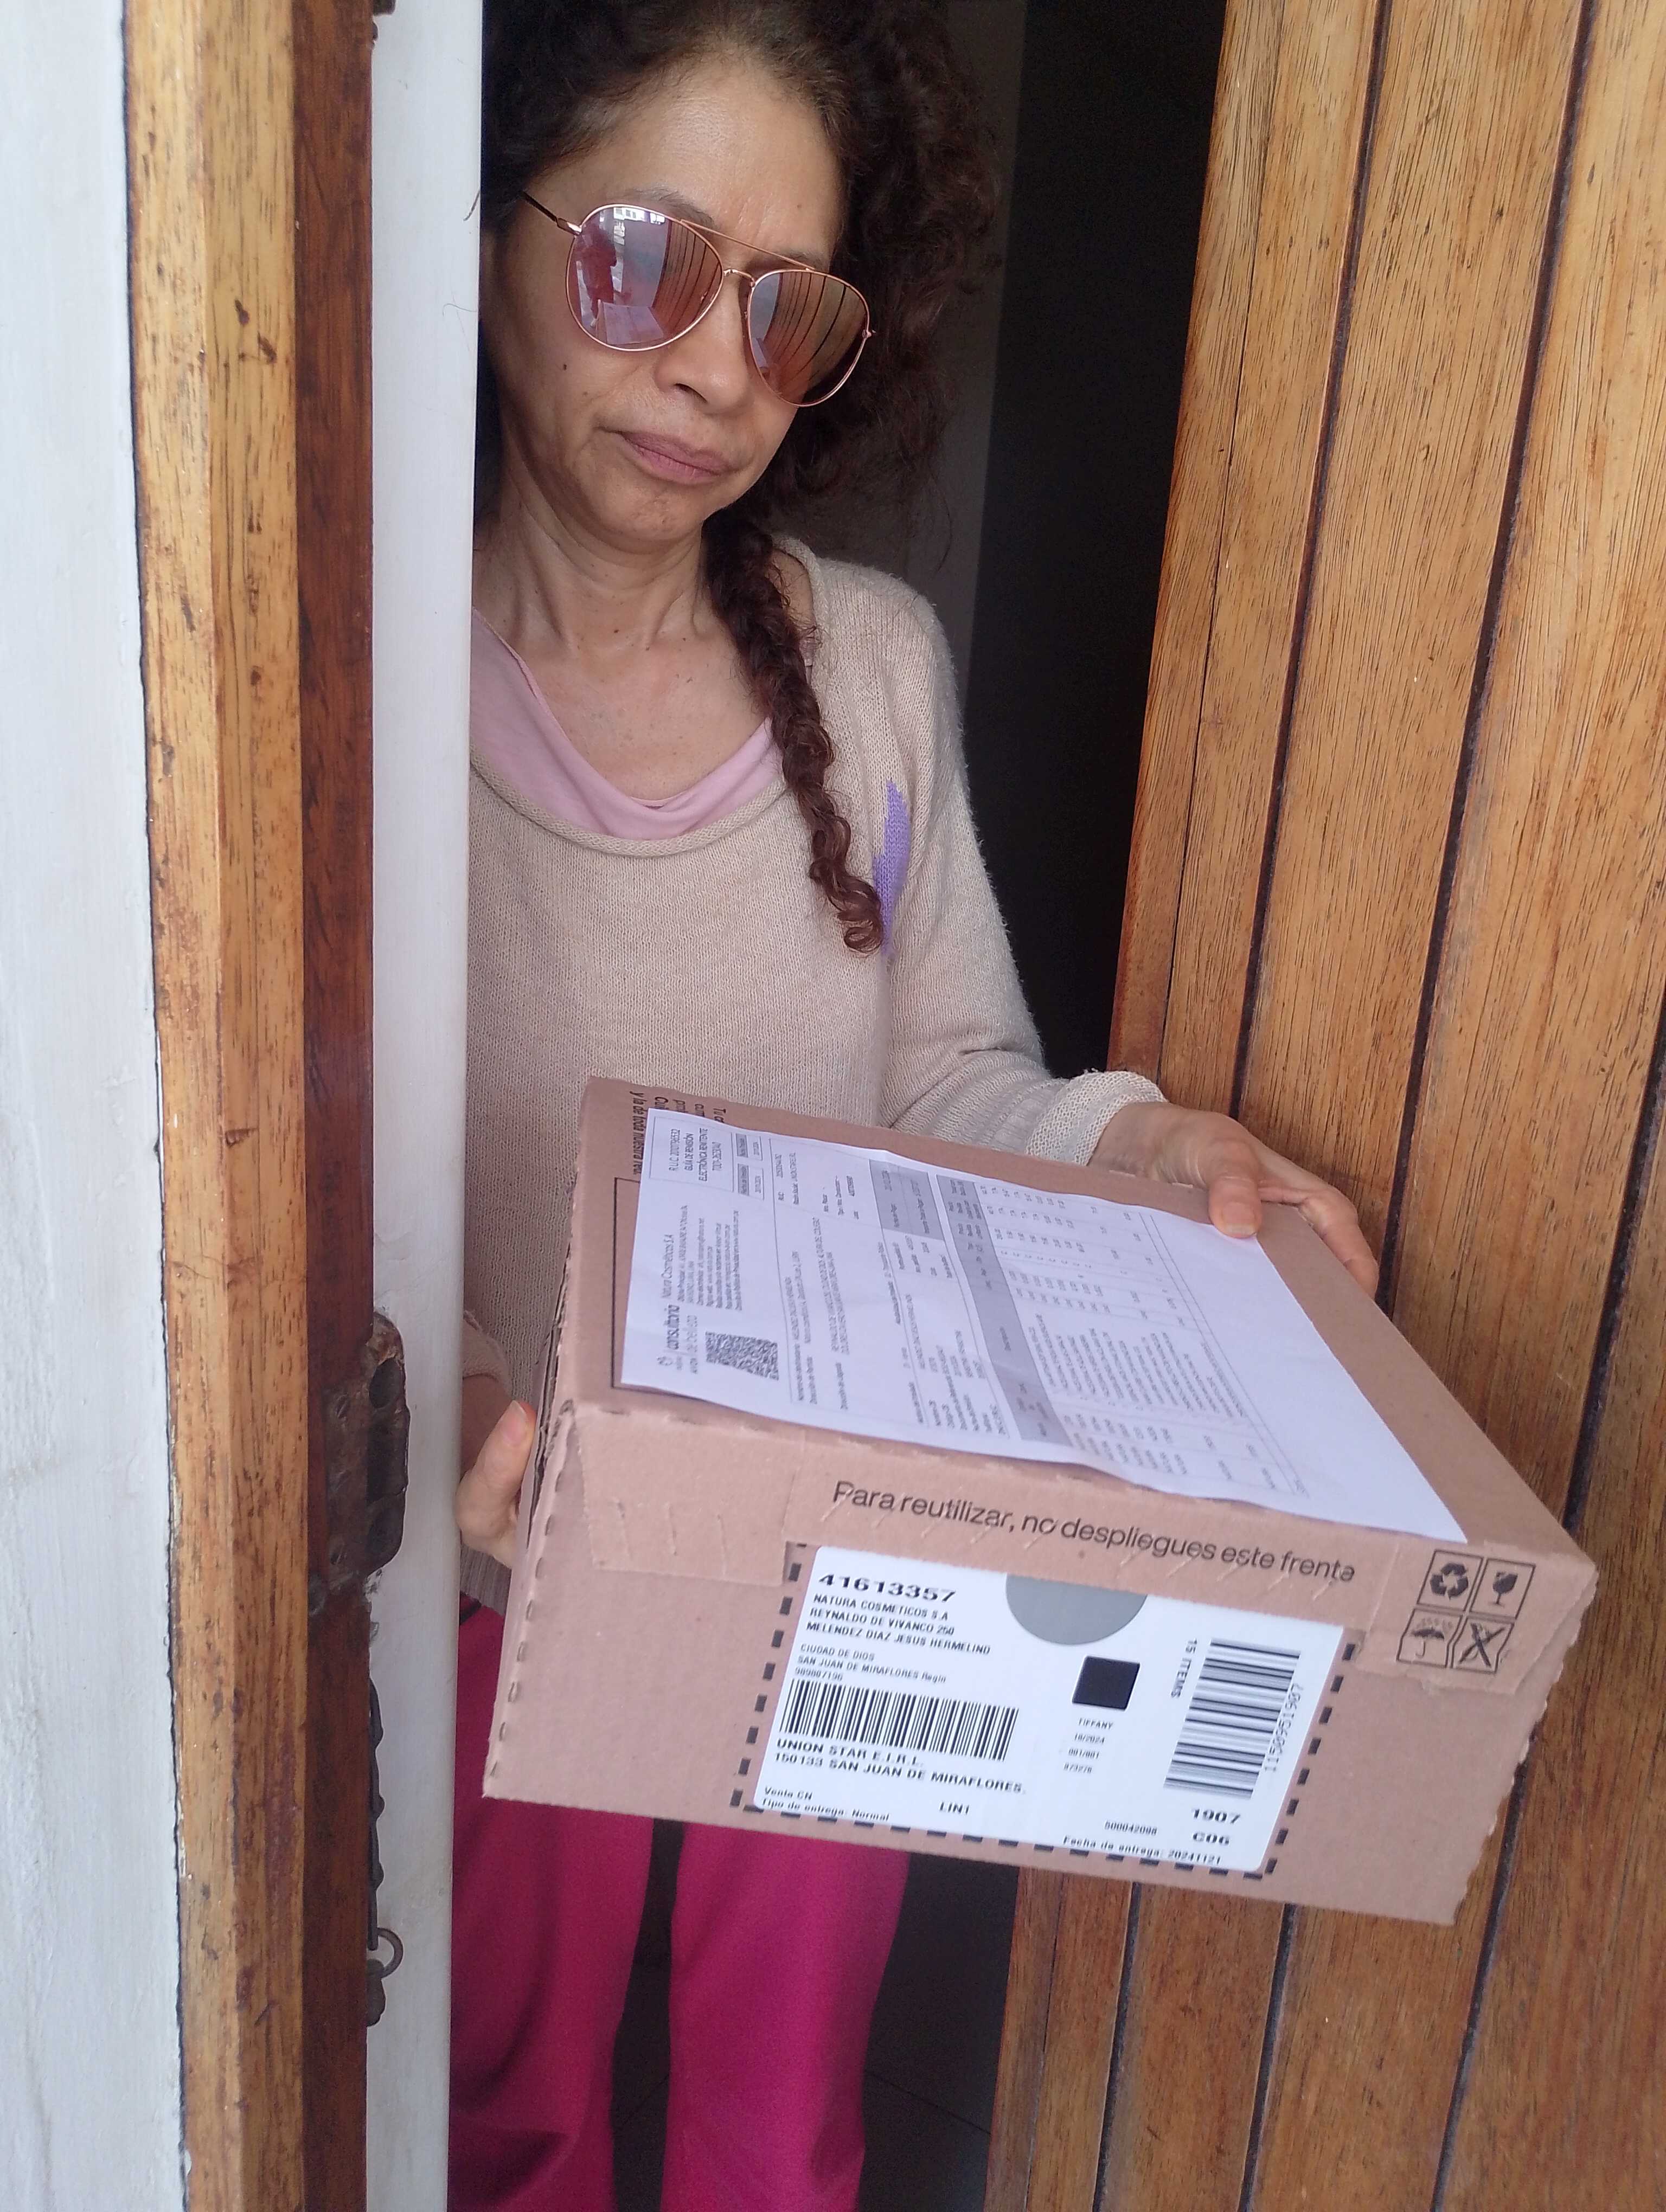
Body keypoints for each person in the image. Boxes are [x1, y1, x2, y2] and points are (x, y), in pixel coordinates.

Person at [448, 5, 1375, 2208]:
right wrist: (464, 1402)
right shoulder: (349, 679)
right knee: (501, 2109)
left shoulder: (867, 668)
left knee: (783, 2122)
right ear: (484, 238)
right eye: (645, 263)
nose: (711, 370)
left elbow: (953, 1079)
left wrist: (1153, 1152)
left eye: (786, 313)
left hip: (831, 1559)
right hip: (492, 1557)